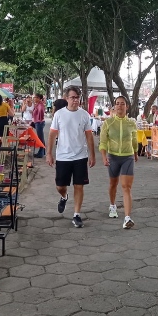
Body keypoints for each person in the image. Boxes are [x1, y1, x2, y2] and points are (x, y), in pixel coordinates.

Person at [46, 86, 96, 228]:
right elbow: (52, 135)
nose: (75, 100)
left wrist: (92, 155)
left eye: (77, 97)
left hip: (80, 156)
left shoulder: (84, 115)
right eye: (73, 97)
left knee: (79, 185)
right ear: (66, 98)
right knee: (60, 186)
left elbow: (89, 136)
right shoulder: (59, 115)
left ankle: (76, 215)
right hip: (63, 156)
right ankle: (64, 196)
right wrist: (49, 153)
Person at [99, 96, 138, 229]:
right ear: (114, 107)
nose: (120, 106)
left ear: (127, 107)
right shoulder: (108, 123)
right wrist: (104, 157)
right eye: (117, 104)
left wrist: (136, 153)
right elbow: (103, 142)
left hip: (128, 157)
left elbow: (134, 140)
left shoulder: (132, 123)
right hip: (113, 157)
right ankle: (112, 205)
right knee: (113, 184)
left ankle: (127, 218)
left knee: (126, 187)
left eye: (122, 104)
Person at [33, 93, 46, 158]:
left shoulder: (40, 104)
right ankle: (42, 152)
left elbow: (41, 111)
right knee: (41, 138)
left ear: (38, 98)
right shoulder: (38, 104)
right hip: (37, 122)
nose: (34, 98)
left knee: (40, 138)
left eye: (35, 97)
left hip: (39, 122)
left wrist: (40, 118)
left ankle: (40, 153)